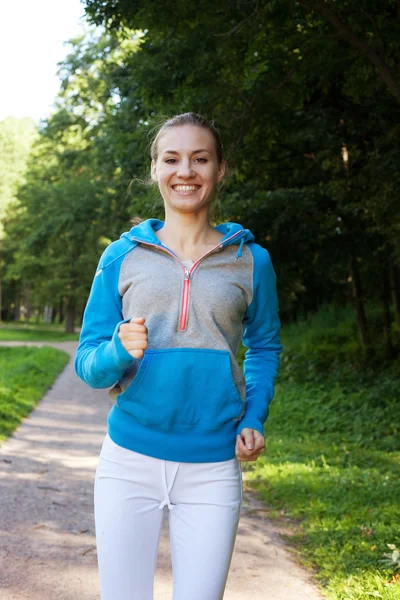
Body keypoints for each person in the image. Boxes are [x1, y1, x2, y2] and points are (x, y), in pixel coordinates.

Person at [74, 112, 283, 600]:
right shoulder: (121, 257)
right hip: (129, 461)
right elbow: (87, 359)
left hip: (213, 466)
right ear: (155, 169)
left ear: (219, 169)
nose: (185, 171)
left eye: (199, 158)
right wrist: (115, 353)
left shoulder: (251, 260)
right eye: (172, 159)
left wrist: (254, 414)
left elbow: (265, 346)